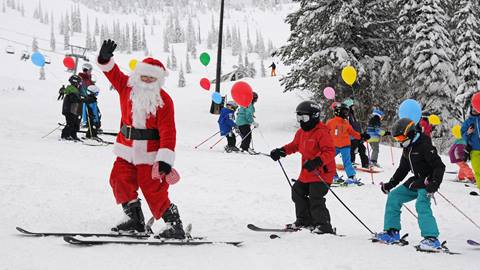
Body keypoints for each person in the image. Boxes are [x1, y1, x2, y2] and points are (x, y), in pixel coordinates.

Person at [97, 39, 185, 239]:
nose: (146, 81)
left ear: (158, 81)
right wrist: (105, 59)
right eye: (143, 76)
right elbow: (112, 72)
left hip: (150, 155)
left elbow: (169, 131)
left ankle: (174, 225)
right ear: (137, 75)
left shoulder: (164, 101)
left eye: (151, 79)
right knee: (119, 179)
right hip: (125, 150)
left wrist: (164, 159)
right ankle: (135, 220)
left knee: (154, 190)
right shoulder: (126, 88)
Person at [374, 118, 445, 251]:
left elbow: (439, 166)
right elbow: (403, 169)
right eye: (397, 139)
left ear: (410, 133)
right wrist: (390, 184)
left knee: (421, 204)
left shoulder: (425, 145)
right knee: (394, 197)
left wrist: (434, 182)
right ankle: (392, 232)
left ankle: (431, 239)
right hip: (416, 181)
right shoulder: (408, 148)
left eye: (401, 137)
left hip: (427, 182)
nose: (400, 141)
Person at [269, 101, 336, 234]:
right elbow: (294, 146)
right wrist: (281, 151)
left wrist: (317, 161)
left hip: (321, 173)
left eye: (304, 118)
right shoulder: (301, 132)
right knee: (297, 191)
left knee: (315, 196)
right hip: (307, 173)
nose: (301, 121)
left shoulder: (322, 132)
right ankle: (305, 220)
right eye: (299, 117)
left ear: (315, 116)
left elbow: (330, 151)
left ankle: (323, 226)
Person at [326, 103, 369, 184]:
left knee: (347, 162)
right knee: (328, 159)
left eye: (347, 112)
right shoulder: (330, 122)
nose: (346, 114)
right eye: (345, 112)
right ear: (338, 112)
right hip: (334, 146)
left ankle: (352, 177)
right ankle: (334, 176)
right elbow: (324, 132)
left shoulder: (346, 123)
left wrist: (362, 136)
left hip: (345, 146)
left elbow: (353, 133)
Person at [344, 99, 369, 169]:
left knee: (362, 148)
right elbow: (348, 126)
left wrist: (361, 134)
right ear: (348, 107)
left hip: (357, 136)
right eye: (352, 106)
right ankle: (350, 162)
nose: (353, 108)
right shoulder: (347, 116)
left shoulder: (352, 115)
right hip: (351, 137)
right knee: (352, 149)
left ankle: (365, 163)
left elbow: (356, 126)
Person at [461, 103, 480, 190]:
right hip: (474, 150)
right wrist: (468, 132)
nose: (474, 110)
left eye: (476, 108)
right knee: (477, 170)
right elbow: (463, 136)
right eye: (473, 108)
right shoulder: (468, 121)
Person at [61, 75, 83, 141]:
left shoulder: (76, 89)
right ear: (75, 82)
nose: (80, 84)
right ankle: (65, 135)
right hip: (69, 110)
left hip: (74, 110)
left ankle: (73, 134)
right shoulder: (71, 89)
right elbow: (73, 99)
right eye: (79, 82)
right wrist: (80, 99)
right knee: (70, 123)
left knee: (76, 123)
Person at [79, 63, 95, 127]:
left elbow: (91, 87)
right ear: (86, 70)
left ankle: (90, 123)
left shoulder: (88, 78)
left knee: (92, 111)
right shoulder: (82, 78)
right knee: (84, 110)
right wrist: (86, 95)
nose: (90, 72)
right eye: (90, 70)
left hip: (90, 98)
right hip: (85, 98)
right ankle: (84, 122)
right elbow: (83, 88)